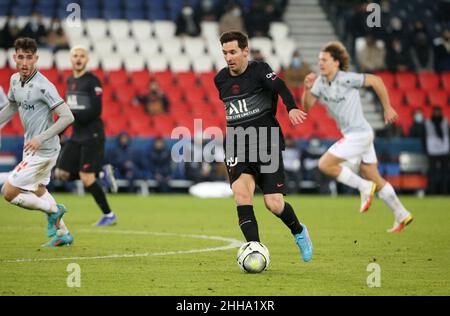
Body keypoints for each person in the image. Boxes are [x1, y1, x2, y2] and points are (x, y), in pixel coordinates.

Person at [214, 31, 312, 262]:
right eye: (225, 53)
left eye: (233, 52)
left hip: (266, 143)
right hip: (237, 145)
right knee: (241, 194)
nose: (228, 57)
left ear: (245, 50)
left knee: (273, 203)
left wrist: (291, 108)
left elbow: (281, 87)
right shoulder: (220, 79)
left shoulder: (260, 70)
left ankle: (299, 231)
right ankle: (254, 248)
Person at [302, 41, 413, 233]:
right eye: (319, 60)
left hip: (359, 134)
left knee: (325, 164)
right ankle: (402, 214)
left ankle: (363, 187)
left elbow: (376, 81)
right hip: (357, 134)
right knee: (373, 176)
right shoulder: (320, 83)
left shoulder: (346, 78)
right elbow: (307, 106)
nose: (320, 63)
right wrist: (307, 87)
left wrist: (387, 107)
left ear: (336, 63)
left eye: (325, 60)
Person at [0, 37, 75, 246]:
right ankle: (63, 234)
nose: (24, 62)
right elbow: (12, 107)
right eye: (21, 57)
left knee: (8, 192)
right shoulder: (15, 80)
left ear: (36, 59)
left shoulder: (44, 86)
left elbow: (68, 117)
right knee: (38, 190)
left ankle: (53, 210)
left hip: (44, 150)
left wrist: (40, 138)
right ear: (14, 57)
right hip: (31, 148)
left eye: (29, 58)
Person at [55, 46, 118, 226]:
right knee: (62, 173)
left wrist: (71, 117)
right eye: (75, 55)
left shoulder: (93, 81)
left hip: (92, 134)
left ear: (87, 59)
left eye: (82, 56)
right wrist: (60, 132)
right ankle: (101, 172)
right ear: (70, 59)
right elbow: (68, 109)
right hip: (76, 135)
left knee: (86, 178)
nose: (78, 58)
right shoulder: (69, 81)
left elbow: (96, 110)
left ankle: (109, 215)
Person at [424, 106, 450, 194]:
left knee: (445, 173)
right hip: (432, 151)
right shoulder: (427, 123)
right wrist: (426, 150)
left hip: (444, 150)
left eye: (438, 112)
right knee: (432, 173)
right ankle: (432, 191)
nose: (437, 114)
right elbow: (423, 138)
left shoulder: (445, 122)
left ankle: (445, 191)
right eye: (435, 112)